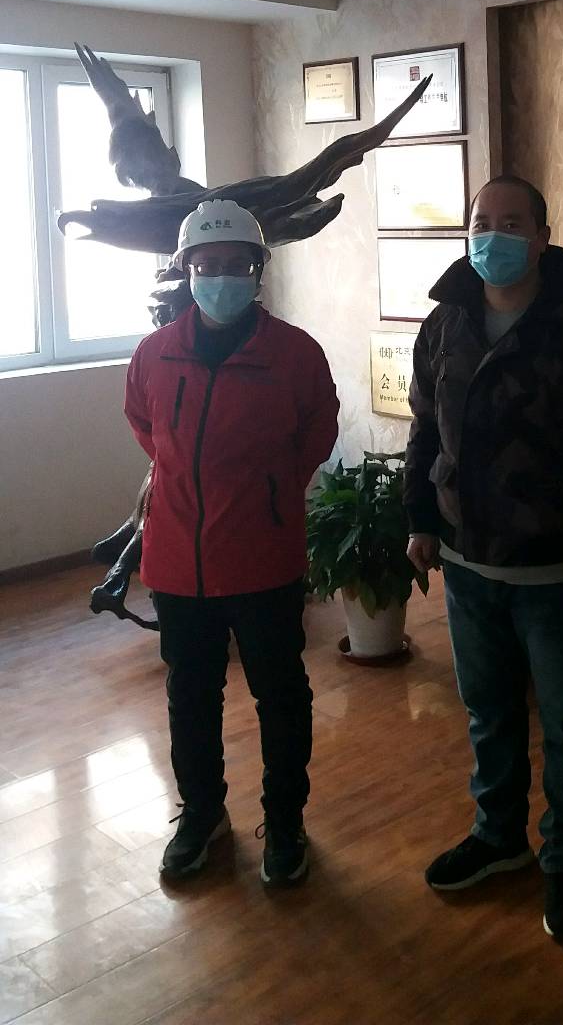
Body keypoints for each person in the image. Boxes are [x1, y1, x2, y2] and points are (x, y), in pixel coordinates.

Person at [405, 174, 563, 940]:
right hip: (468, 560)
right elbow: (424, 431)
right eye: (481, 222)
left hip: (554, 568)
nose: (493, 236)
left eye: (511, 223)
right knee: (489, 712)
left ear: (543, 237)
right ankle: (498, 836)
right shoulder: (446, 322)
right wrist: (420, 522)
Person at [124, 200, 339, 885]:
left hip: (262, 557)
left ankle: (285, 821)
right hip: (176, 561)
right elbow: (145, 426)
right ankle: (201, 814)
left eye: (235, 265)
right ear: (186, 269)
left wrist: (272, 488)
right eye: (207, 265)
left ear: (257, 270)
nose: (220, 277)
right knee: (191, 694)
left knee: (281, 695)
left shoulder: (295, 355)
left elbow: (318, 429)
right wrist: (187, 479)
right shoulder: (155, 355)